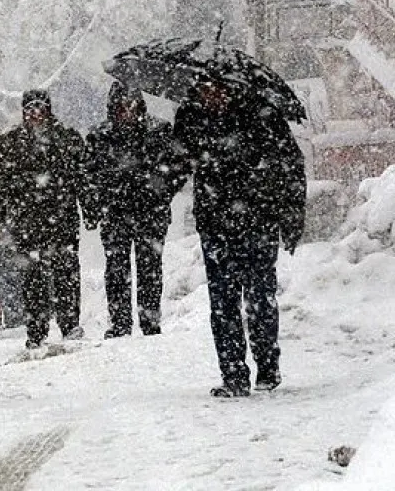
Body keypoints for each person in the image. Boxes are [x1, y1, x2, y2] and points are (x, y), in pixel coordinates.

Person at [174, 79, 306, 397]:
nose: (212, 95)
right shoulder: (191, 118)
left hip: (257, 220)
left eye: (217, 89)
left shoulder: (260, 114)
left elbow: (290, 164)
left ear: (231, 87)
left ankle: (267, 368)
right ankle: (233, 374)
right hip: (216, 223)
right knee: (223, 303)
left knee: (259, 298)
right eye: (205, 90)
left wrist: (291, 217)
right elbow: (176, 163)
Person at [0, 88, 89, 349]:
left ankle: (70, 324)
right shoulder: (9, 143)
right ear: (23, 111)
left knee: (66, 273)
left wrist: (91, 209)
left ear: (49, 109)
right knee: (33, 278)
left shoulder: (67, 138)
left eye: (40, 107)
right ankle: (36, 331)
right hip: (26, 221)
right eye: (30, 108)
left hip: (62, 218)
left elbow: (85, 177)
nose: (35, 113)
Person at [84, 82, 188, 338]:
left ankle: (150, 321)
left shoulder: (160, 131)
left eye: (130, 105)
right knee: (117, 268)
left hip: (150, 212)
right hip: (115, 212)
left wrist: (162, 190)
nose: (126, 112)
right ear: (113, 108)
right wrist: (97, 203)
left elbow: (180, 166)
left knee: (150, 267)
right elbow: (87, 175)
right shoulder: (99, 137)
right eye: (121, 106)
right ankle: (120, 323)